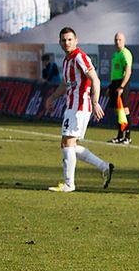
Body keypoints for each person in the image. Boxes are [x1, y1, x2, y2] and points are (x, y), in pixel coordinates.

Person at [45, 27, 114, 193]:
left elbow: (95, 80)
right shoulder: (67, 60)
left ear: (76, 40)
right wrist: (52, 97)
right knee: (69, 144)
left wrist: (95, 102)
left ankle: (69, 184)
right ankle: (105, 167)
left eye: (70, 39)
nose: (67, 42)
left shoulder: (79, 57)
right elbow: (65, 84)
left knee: (67, 142)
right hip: (71, 106)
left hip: (80, 107)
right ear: (60, 42)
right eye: (63, 40)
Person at [108, 32, 133, 145]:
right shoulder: (115, 55)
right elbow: (114, 72)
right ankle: (119, 135)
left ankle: (127, 136)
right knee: (117, 110)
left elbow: (128, 71)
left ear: (124, 41)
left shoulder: (125, 53)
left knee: (124, 109)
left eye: (120, 40)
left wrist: (122, 86)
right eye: (116, 40)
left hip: (122, 83)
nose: (117, 42)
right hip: (115, 83)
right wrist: (111, 86)